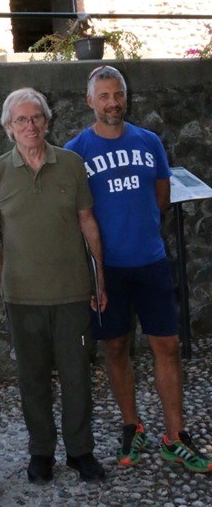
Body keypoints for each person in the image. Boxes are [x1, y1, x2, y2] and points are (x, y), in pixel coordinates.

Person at [65, 65, 212, 473]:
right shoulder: (76, 150)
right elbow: (76, 214)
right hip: (107, 268)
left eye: (119, 94)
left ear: (126, 97)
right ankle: (132, 425)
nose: (113, 102)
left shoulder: (149, 142)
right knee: (115, 347)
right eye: (105, 96)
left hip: (151, 262)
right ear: (90, 100)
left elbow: (161, 198)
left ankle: (175, 436)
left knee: (167, 346)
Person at [0, 88, 107, 484]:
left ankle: (80, 451)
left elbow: (88, 224)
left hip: (72, 292)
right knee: (32, 380)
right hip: (23, 298)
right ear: (8, 128)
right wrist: (4, 281)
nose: (30, 126)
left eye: (36, 117)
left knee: (77, 378)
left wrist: (99, 279)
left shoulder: (71, 165)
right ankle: (41, 453)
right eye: (21, 120)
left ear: (47, 121)